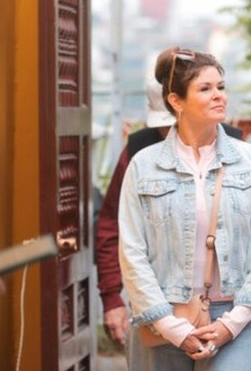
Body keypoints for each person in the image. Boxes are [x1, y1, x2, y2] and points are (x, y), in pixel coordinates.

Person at [119, 47, 251, 369]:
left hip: (236, 314)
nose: (219, 96)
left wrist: (232, 323)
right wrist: (170, 326)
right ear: (176, 101)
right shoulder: (144, 165)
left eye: (221, 87)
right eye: (205, 89)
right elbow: (132, 252)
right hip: (162, 314)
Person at [96, 79, 242, 347]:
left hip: (229, 307)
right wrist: (112, 298)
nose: (169, 133)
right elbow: (113, 229)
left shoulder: (239, 150)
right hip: (155, 301)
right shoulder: (139, 153)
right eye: (162, 127)